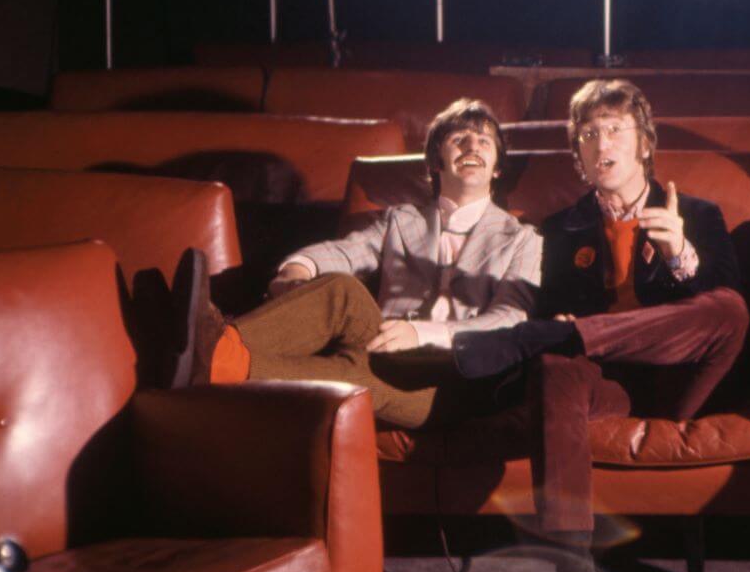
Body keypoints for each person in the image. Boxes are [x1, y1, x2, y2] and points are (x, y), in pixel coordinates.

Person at [450, 78, 748, 572]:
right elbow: (558, 305)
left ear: (644, 143)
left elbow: (725, 308)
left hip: (682, 379)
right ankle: (571, 563)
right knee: (556, 361)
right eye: (588, 134)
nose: (602, 144)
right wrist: (569, 329)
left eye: (615, 130)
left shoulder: (699, 215)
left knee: (728, 309)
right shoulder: (561, 230)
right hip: (605, 384)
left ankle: (563, 336)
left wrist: (681, 254)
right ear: (578, 155)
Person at [170, 97, 542, 430]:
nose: (472, 146)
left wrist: (422, 334)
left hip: (459, 379)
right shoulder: (402, 220)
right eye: (459, 138)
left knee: (356, 372)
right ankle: (215, 355)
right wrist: (297, 269)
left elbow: (509, 319)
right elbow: (347, 251)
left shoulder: (525, 239)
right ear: (435, 162)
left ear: (497, 169)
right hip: (385, 352)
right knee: (342, 293)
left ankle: (207, 347)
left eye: (484, 141)